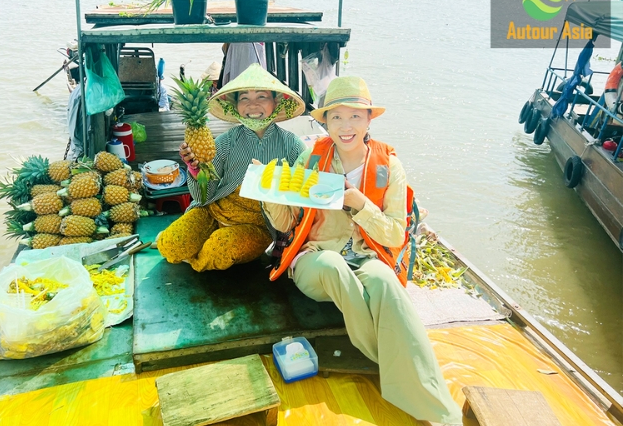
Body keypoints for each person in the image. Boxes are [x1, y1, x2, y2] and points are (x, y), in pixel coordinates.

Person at [259, 76, 463, 425]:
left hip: (366, 257)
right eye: (336, 117)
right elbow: (285, 224)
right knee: (333, 267)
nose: (345, 126)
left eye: (355, 116)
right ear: (324, 123)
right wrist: (270, 194)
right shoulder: (311, 160)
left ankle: (440, 412)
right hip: (315, 261)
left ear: (369, 120)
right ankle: (389, 360)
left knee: (385, 282)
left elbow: (396, 235)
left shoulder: (389, 167)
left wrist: (359, 203)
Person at [155, 63, 307, 272]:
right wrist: (195, 170)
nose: (252, 105)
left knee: (220, 248)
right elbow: (203, 198)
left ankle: (197, 257)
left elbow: (301, 202)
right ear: (234, 106)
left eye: (261, 97)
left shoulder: (293, 145)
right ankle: (189, 244)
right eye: (244, 98)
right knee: (172, 245)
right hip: (214, 211)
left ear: (276, 102)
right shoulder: (224, 142)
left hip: (258, 226)